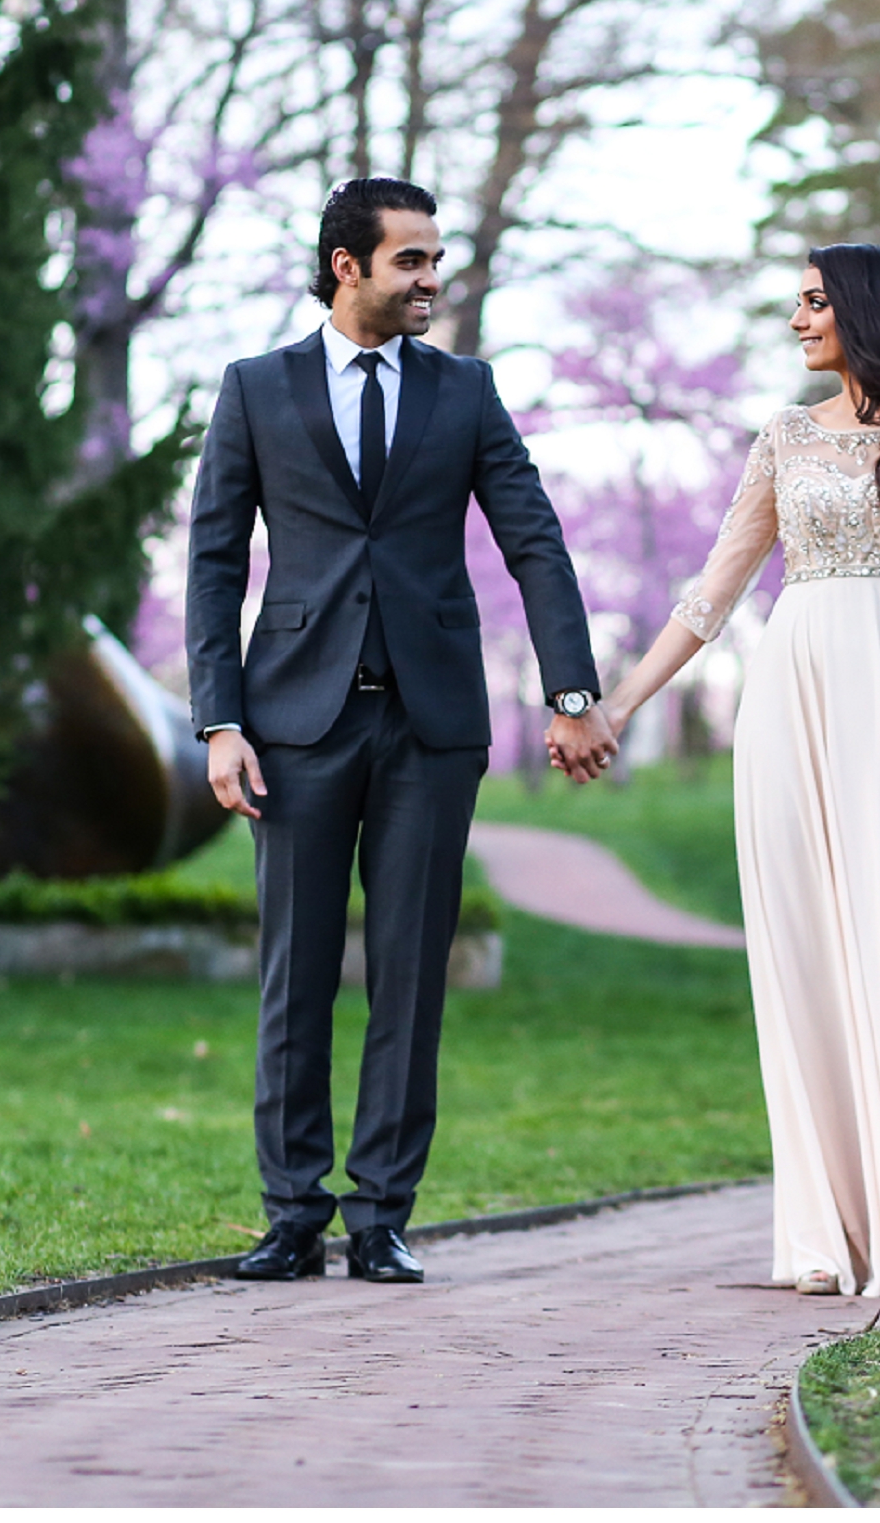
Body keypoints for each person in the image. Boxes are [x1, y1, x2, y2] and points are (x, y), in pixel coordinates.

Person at [585, 243, 880, 1300]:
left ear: (865, 311)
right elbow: (710, 597)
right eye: (797, 303)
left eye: (814, 303)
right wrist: (616, 705)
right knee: (806, 953)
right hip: (793, 703)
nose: (798, 320)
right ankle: (833, 1232)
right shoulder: (784, 440)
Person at [185, 177, 615, 1285]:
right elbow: (215, 561)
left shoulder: (464, 392)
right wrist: (221, 721)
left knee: (411, 974)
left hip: (432, 729)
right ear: (348, 265)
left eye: (435, 259)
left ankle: (381, 1214)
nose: (432, 279)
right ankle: (292, 1211)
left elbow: (536, 540)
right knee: (297, 972)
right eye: (412, 261)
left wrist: (572, 692)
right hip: (292, 726)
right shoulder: (255, 389)